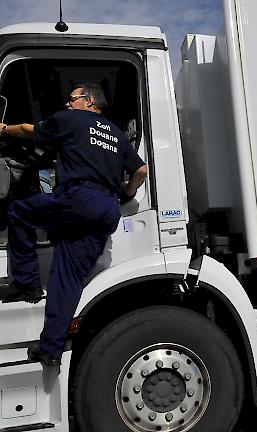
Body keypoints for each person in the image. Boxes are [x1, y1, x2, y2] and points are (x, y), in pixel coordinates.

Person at [0, 83, 147, 366]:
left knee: (19, 211)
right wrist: (127, 191)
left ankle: (26, 284)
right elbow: (140, 170)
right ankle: (50, 350)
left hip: (79, 197)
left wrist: (5, 129)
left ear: (88, 100)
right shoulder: (116, 134)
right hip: (106, 209)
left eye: (72, 99)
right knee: (67, 278)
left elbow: (30, 131)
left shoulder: (72, 120)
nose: (68, 104)